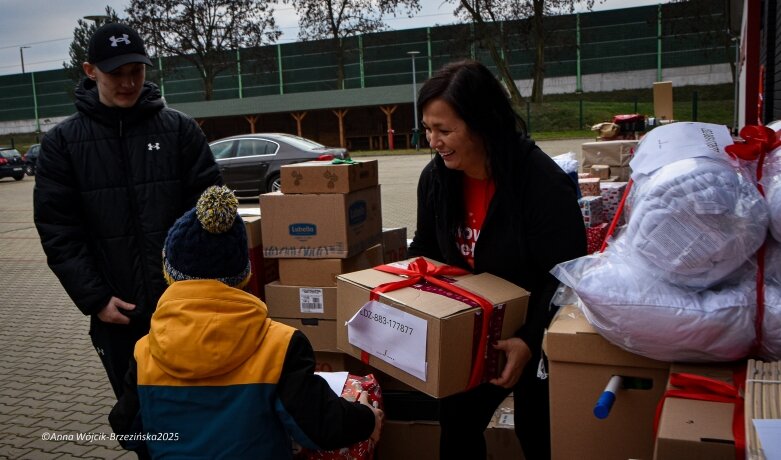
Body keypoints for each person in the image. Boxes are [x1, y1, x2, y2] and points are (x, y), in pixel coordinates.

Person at [108, 185, 383, 458]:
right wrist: (366, 416)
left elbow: (126, 428)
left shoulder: (145, 352)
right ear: (243, 274)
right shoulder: (281, 345)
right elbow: (320, 426)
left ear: (170, 274)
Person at [406, 60, 587, 459]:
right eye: (428, 129)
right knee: (455, 428)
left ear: (483, 123)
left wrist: (528, 341)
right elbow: (425, 250)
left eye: (445, 130)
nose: (433, 141)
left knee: (538, 432)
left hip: (533, 334)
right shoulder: (436, 179)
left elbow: (566, 279)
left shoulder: (541, 184)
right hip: (470, 331)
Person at [33, 22, 222, 403]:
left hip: (186, 307)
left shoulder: (179, 130)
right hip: (118, 315)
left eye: (135, 71)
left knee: (200, 410)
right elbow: (59, 232)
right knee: (139, 418)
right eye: (115, 73)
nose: (127, 82)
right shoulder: (62, 144)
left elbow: (211, 213)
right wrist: (96, 298)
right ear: (90, 71)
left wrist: (206, 288)